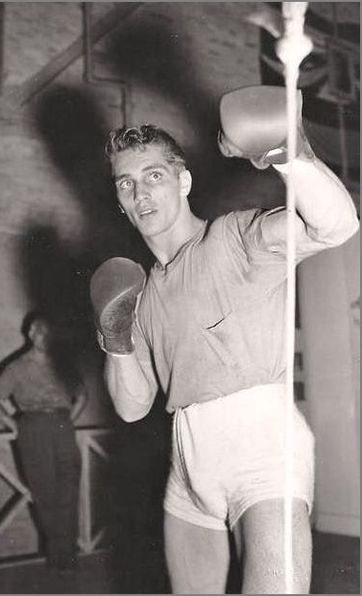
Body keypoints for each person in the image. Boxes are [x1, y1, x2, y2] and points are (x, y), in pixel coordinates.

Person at [89, 86, 359, 593]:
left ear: (184, 180)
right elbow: (132, 406)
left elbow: (338, 225)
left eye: (154, 176)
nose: (141, 193)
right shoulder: (141, 295)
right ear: (120, 202)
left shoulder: (236, 239)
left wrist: (290, 159)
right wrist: (115, 337)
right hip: (189, 469)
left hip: (263, 457)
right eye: (126, 184)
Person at [0, 311, 87, 572]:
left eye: (50, 334)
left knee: (69, 488)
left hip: (63, 426)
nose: (45, 338)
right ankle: (57, 555)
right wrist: (15, 425)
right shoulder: (17, 367)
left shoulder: (63, 365)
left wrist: (67, 421)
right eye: (40, 332)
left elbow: (82, 396)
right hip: (33, 427)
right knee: (45, 492)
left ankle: (69, 553)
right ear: (31, 334)